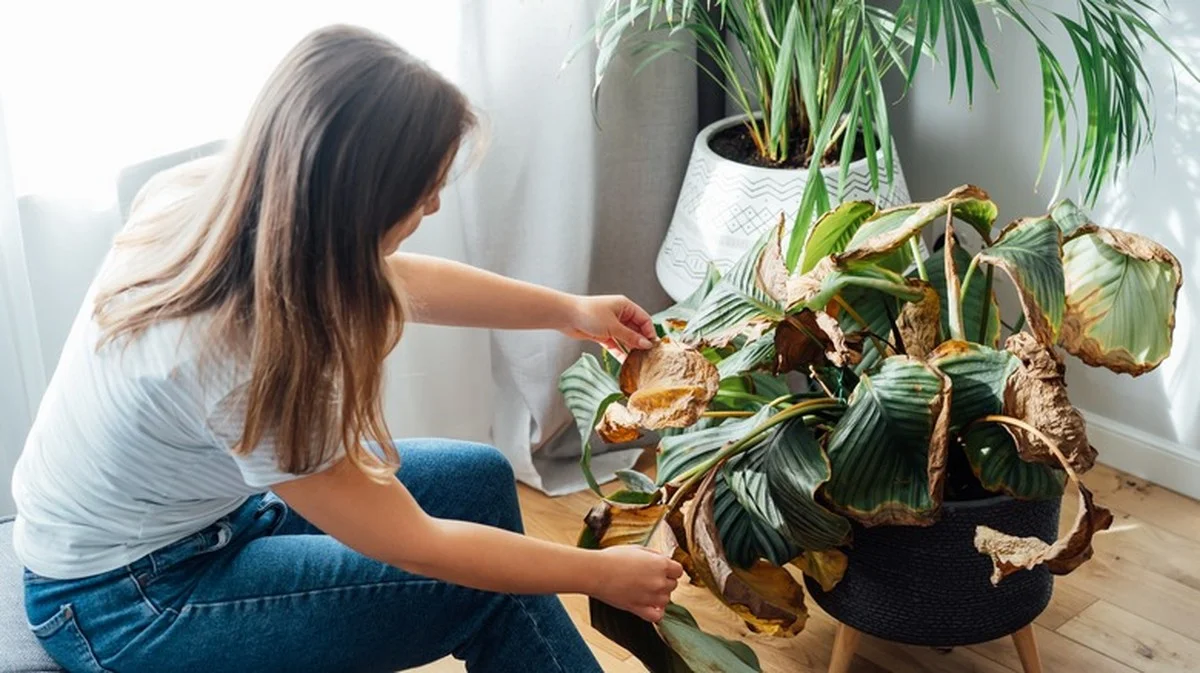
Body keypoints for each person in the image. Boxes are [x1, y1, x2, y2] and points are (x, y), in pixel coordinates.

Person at [12, 24, 681, 673]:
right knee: (484, 589)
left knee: (476, 477)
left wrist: (567, 311)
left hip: (203, 521)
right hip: (126, 601)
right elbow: (418, 545)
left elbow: (396, 278)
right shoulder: (244, 356)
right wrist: (598, 572)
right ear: (355, 206)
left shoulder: (222, 198)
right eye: (424, 194)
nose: (436, 209)